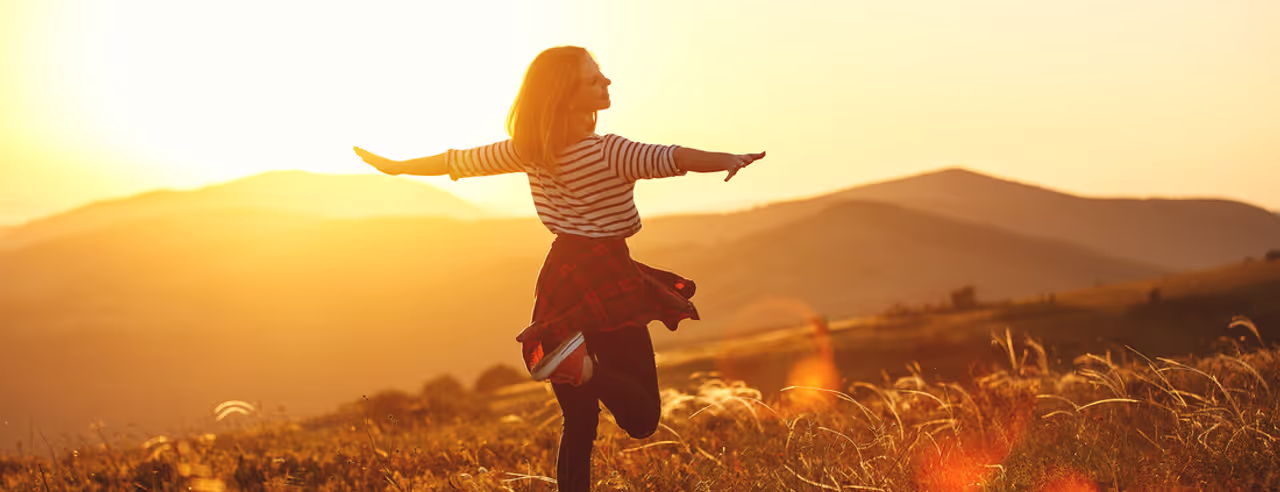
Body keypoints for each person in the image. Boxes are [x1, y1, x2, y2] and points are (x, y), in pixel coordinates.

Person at [354, 45, 765, 491]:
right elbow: (673, 156)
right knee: (643, 418)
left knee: (580, 420)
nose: (606, 82)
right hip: (609, 279)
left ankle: (576, 368)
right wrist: (727, 159)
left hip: (561, 279)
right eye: (594, 79)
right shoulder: (610, 152)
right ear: (567, 95)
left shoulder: (529, 149)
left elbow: (458, 162)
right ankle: (586, 369)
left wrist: (397, 168)